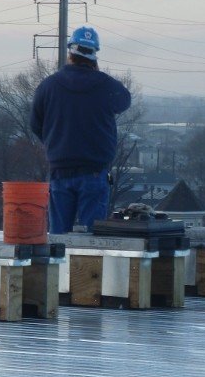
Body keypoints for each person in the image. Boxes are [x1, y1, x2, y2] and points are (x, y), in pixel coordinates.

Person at [30, 25, 131, 233]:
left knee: (58, 240)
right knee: (92, 243)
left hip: (60, 171)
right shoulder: (106, 86)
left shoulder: (48, 86)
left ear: (70, 53)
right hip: (94, 173)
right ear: (94, 56)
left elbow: (36, 124)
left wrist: (55, 141)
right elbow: (124, 101)